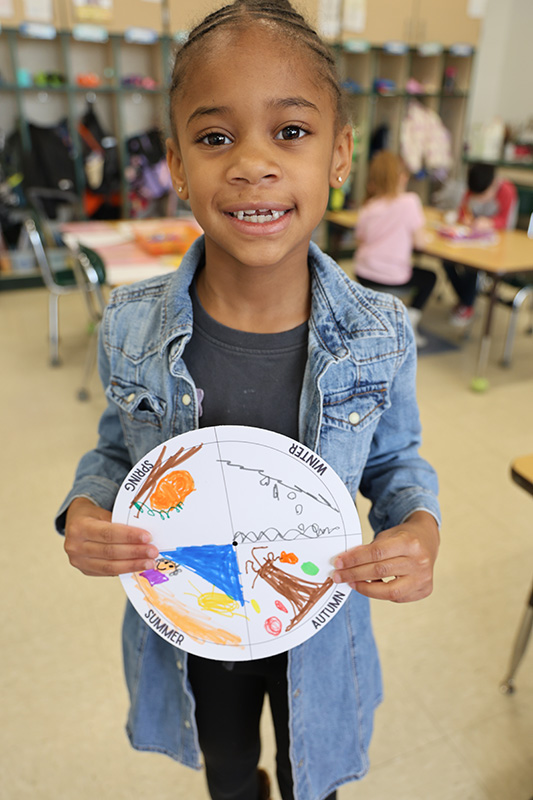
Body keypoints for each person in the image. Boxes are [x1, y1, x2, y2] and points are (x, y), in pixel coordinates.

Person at [56, 3, 441, 800]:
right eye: (215, 137)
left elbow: (397, 462)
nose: (252, 164)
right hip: (195, 616)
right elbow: (115, 453)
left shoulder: (376, 330)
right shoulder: (131, 323)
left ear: (339, 155)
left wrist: (417, 527)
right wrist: (85, 510)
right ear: (176, 162)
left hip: (318, 620)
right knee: (227, 770)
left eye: (290, 132)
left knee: (313, 774)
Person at [353, 150, 436, 348]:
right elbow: (420, 244)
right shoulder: (409, 202)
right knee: (430, 277)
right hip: (392, 275)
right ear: (400, 177)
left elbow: (360, 239)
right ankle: (410, 326)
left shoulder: (368, 207)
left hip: (363, 272)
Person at [444, 161, 518, 327]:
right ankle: (466, 301)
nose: (478, 199)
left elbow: (506, 222)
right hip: (473, 240)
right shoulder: (474, 187)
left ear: (493, 185)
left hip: (498, 244)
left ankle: (466, 304)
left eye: (483, 196)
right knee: (446, 260)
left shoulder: (506, 190)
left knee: (472, 266)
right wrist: (466, 218)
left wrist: (490, 223)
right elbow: (463, 210)